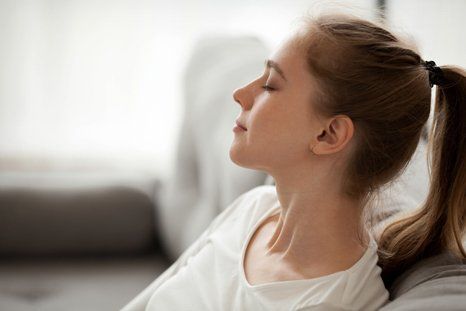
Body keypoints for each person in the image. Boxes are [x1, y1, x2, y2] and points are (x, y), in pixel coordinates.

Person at [122, 11, 466, 311]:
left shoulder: (332, 303)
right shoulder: (254, 209)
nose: (240, 94)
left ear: (328, 135)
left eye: (270, 84)